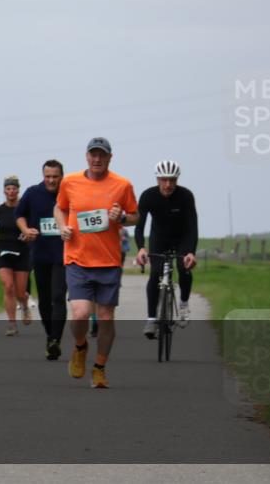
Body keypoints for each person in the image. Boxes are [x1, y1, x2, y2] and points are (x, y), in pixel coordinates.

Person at [55, 137, 138, 390]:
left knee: (105, 317)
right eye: (93, 154)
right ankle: (80, 347)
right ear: (86, 156)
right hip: (77, 259)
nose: (97, 159)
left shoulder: (122, 185)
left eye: (102, 155)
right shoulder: (70, 181)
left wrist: (122, 217)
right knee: (79, 314)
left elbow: (135, 216)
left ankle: (99, 367)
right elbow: (59, 208)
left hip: (108, 262)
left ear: (110, 158)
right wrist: (62, 227)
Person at [135, 160, 198, 337]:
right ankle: (151, 319)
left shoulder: (185, 195)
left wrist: (191, 252)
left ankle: (184, 303)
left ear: (177, 179)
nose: (168, 184)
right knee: (155, 274)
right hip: (159, 239)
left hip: (182, 240)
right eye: (164, 179)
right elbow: (139, 226)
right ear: (157, 179)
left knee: (183, 268)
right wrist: (141, 248)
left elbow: (193, 226)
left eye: (172, 180)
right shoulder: (148, 196)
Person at [16, 159, 66, 360]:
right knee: (45, 301)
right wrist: (26, 229)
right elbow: (19, 215)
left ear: (62, 176)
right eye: (48, 176)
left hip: (64, 254)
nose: (51, 180)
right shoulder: (32, 193)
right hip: (41, 253)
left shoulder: (69, 192)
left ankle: (56, 340)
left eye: (55, 177)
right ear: (43, 175)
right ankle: (49, 335)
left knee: (58, 297)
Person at [0, 176, 32, 336]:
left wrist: (28, 235)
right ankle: (12, 323)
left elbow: (32, 227)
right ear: (4, 191)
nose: (11, 191)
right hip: (2, 252)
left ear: (18, 190)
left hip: (22, 252)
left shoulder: (24, 209)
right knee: (8, 286)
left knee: (20, 292)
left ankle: (24, 306)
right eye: (8, 188)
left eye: (14, 188)